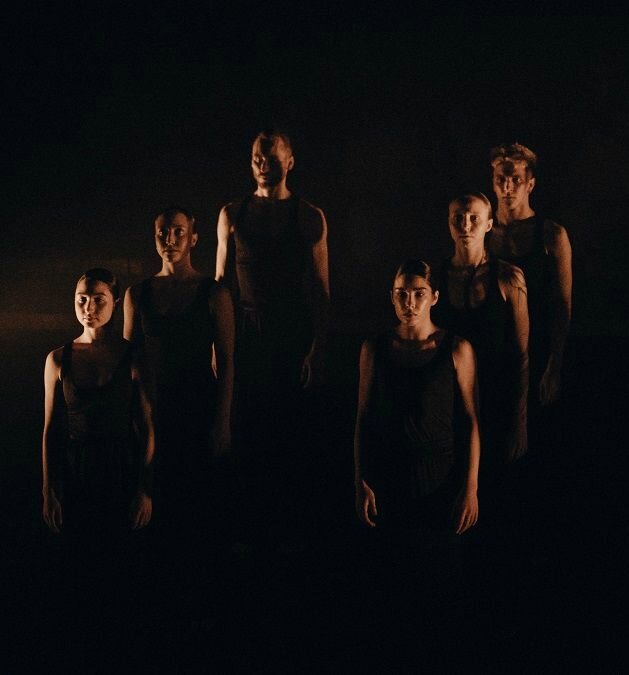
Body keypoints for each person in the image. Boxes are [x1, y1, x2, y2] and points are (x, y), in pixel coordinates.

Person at [214, 128, 330, 554]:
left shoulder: (309, 216)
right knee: (247, 432)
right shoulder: (232, 214)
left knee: (291, 436)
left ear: (290, 162)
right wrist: (217, 343)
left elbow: (321, 289)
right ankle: (249, 537)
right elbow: (221, 286)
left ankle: (292, 539)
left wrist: (319, 347)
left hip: (292, 335)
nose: (263, 166)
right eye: (257, 159)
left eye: (272, 159)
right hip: (247, 334)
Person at [353, 260, 480, 641]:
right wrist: (360, 480)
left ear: (434, 297)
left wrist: (470, 488)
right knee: (392, 581)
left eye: (418, 294)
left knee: (439, 581)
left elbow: (471, 421)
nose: (409, 303)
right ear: (392, 297)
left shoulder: (456, 349)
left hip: (440, 478)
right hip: (389, 477)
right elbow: (362, 418)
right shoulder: (375, 348)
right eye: (402, 294)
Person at [123, 206, 235, 627]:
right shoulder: (138, 294)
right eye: (162, 232)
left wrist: (222, 421)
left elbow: (227, 362)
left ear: (193, 238)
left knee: (199, 508)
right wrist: (135, 416)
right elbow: (130, 360)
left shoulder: (213, 294)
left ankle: (203, 610)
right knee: (157, 506)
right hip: (155, 411)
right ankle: (160, 611)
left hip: (198, 407)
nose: (169, 239)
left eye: (177, 232)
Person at [41, 268, 155, 647]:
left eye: (98, 300)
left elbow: (147, 427)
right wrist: (49, 489)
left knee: (121, 564)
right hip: (77, 469)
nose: (89, 307)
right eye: (82, 300)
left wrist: (144, 488)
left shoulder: (132, 356)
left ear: (115, 302)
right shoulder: (58, 359)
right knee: (80, 564)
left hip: (120, 467)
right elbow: (51, 430)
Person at [433, 192, 529, 469]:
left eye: (474, 218)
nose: (465, 225)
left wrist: (519, 421)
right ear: (449, 223)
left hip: (495, 399)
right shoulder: (435, 280)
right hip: (447, 403)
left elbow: (521, 353)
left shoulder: (508, 277)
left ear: (488, 224)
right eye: (458, 218)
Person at [487, 143, 572, 415]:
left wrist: (555, 364)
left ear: (530, 184)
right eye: (501, 179)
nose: (507, 187)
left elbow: (562, 305)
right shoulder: (482, 234)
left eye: (516, 180)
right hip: (492, 351)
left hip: (537, 349)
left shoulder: (551, 236)